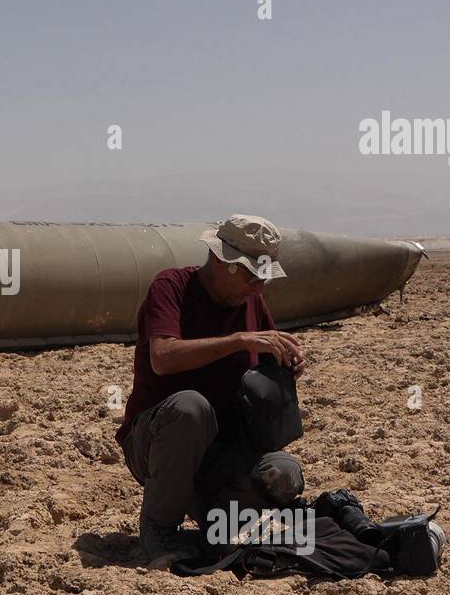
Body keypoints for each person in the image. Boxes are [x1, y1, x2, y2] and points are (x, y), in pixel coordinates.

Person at [115, 214, 308, 565]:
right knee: (191, 408)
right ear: (221, 261)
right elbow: (163, 357)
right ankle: (160, 529)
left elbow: (263, 367)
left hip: (223, 450)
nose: (259, 287)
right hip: (158, 443)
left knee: (284, 474)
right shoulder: (171, 287)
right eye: (251, 275)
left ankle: (213, 516)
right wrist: (236, 341)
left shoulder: (252, 302)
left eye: (263, 277)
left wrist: (285, 369)